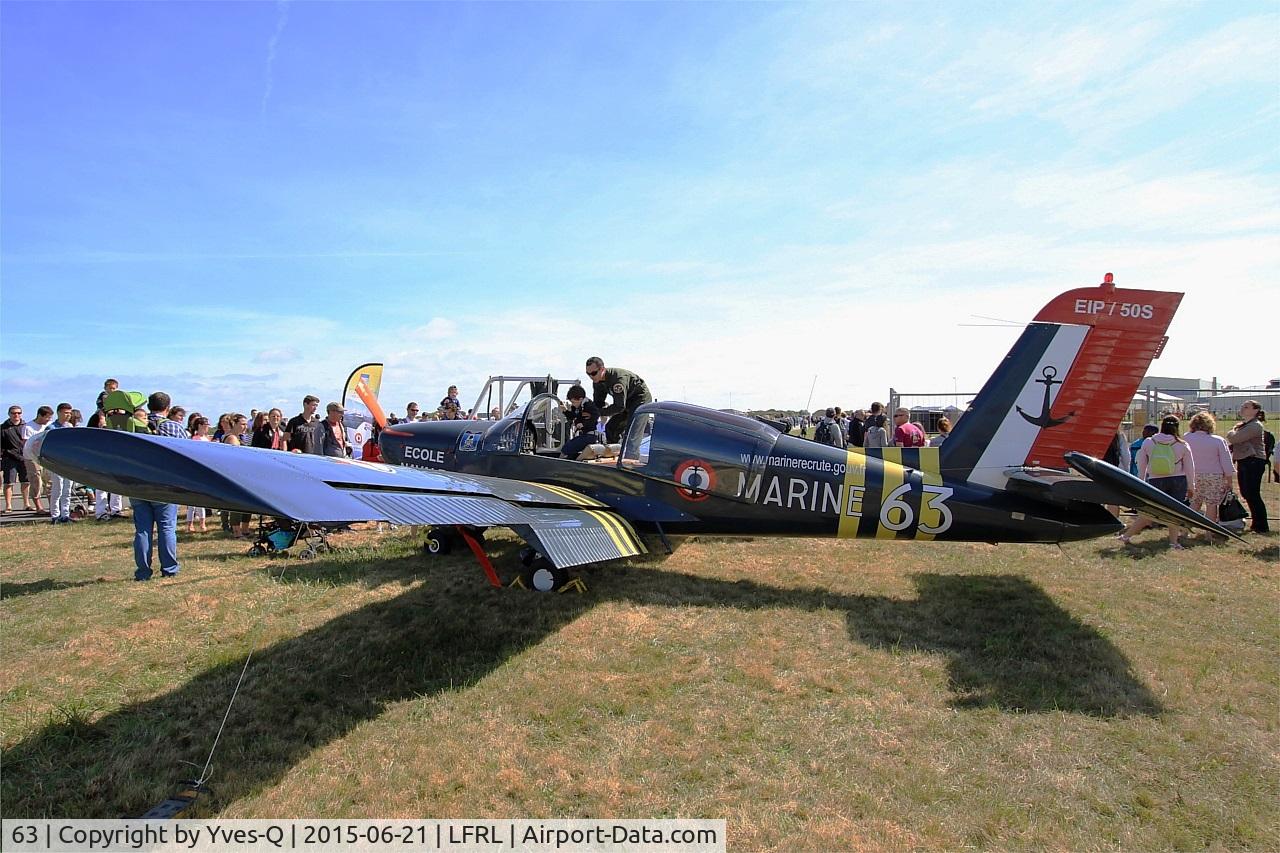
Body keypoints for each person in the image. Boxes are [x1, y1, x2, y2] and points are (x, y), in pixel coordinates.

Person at [1120, 415, 1195, 550]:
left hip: (1155, 480)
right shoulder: (1182, 445)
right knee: (1174, 512)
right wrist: (1191, 486)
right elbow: (1190, 467)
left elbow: (1141, 464)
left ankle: (1126, 536)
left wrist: (1140, 482)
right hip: (1178, 480)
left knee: (1150, 512)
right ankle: (1174, 542)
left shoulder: (1149, 442)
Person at [131, 393, 184, 580]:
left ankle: (143, 571)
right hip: (164, 484)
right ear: (167, 408)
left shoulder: (135, 425)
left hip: (137, 483)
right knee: (167, 528)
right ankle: (169, 569)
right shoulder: (173, 427)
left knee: (143, 530)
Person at [1185, 412, 1235, 536]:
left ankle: (1184, 530)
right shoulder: (1218, 440)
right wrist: (1229, 480)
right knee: (1212, 504)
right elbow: (1226, 461)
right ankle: (1209, 532)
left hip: (1193, 474)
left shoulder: (1186, 438)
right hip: (1213, 475)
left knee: (1195, 502)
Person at [586, 356, 653, 444]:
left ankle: (631, 456)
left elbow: (619, 407)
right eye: (588, 374)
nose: (591, 376)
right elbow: (598, 404)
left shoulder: (617, 380)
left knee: (632, 433)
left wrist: (600, 412)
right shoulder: (597, 382)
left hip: (640, 399)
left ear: (602, 369)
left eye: (594, 373)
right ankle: (613, 453)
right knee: (611, 428)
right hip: (625, 401)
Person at [1227, 400, 1269, 534]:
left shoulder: (1255, 426)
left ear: (1255, 410)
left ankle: (1261, 525)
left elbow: (1234, 438)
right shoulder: (1245, 425)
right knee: (1246, 492)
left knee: (1252, 493)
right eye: (1242, 406)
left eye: (1246, 407)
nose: (1242, 408)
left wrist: (1231, 432)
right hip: (1245, 461)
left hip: (1254, 461)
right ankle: (1256, 523)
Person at [221, 413, 252, 537]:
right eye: (242, 424)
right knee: (237, 504)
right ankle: (237, 531)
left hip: (241, 474)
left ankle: (244, 529)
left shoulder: (239, 437)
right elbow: (235, 459)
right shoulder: (232, 438)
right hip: (235, 475)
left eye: (246, 424)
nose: (245, 427)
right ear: (234, 424)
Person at [46, 403, 77, 524]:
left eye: (70, 413)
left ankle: (65, 514)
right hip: (56, 462)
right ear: (59, 413)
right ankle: (55, 515)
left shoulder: (70, 426)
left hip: (68, 462)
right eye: (65, 412)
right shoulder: (51, 428)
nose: (68, 415)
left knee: (67, 490)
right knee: (57, 489)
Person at [20, 406, 53, 514]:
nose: (48, 420)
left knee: (49, 482)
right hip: (32, 458)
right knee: (36, 481)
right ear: (40, 415)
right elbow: (26, 443)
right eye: (47, 417)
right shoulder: (28, 427)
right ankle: (39, 507)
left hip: (46, 457)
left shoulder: (49, 426)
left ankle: (52, 506)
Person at [561, 385, 601, 460]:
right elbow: (573, 416)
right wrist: (565, 411)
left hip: (590, 435)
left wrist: (583, 424)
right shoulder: (576, 407)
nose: (572, 404)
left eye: (573, 402)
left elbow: (596, 415)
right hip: (584, 434)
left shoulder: (588, 405)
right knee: (570, 451)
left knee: (567, 448)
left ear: (580, 399)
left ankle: (558, 464)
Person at [187, 416, 212, 532]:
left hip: (205, 469)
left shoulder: (207, 439)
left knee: (202, 499)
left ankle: (202, 523)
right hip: (195, 470)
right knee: (192, 501)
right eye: (206, 425)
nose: (207, 427)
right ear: (200, 426)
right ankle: (190, 524)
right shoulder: (194, 438)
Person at [2, 405, 28, 512]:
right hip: (9, 458)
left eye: (18, 413)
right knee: (8, 483)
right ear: (9, 414)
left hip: (24, 457)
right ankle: (8, 505)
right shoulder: (3, 428)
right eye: (13, 413)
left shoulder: (26, 426)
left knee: (26, 482)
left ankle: (26, 504)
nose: (16, 415)